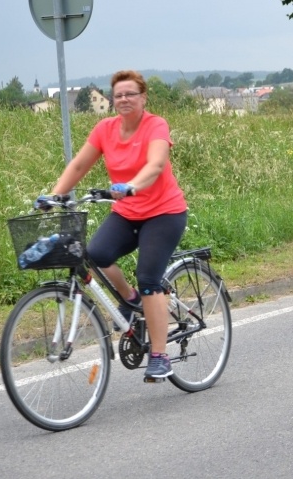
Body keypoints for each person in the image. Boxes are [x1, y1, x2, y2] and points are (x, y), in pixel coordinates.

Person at [40, 70, 187, 381]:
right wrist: (54, 195)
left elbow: (156, 163)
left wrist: (132, 185)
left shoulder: (155, 125)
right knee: (95, 254)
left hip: (164, 212)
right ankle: (131, 299)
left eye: (131, 93)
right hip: (128, 211)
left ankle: (160, 355)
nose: (124, 99)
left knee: (149, 277)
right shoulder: (105, 129)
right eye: (118, 94)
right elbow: (79, 164)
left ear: (143, 98)